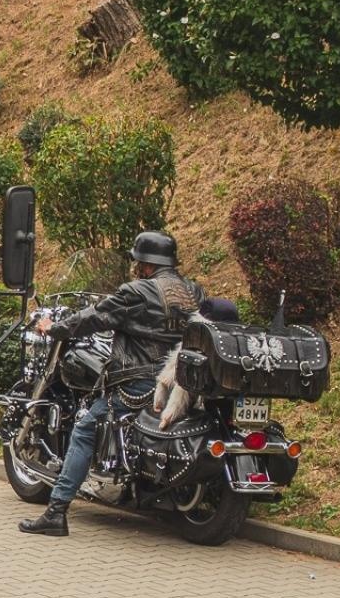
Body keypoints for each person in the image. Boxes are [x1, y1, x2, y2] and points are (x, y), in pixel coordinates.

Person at [19, 230, 206, 537]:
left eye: (138, 262)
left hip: (139, 381)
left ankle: (56, 512)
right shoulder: (193, 292)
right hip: (180, 380)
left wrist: (55, 328)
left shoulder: (138, 292)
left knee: (83, 429)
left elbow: (93, 317)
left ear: (145, 264)